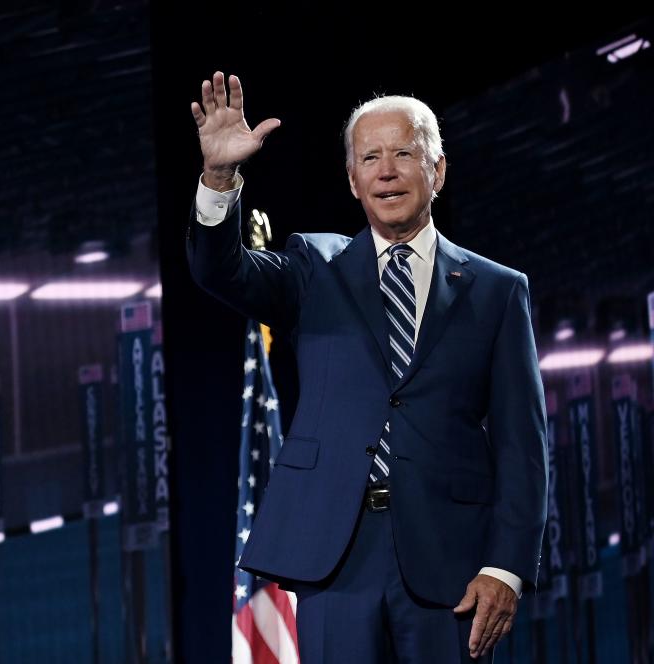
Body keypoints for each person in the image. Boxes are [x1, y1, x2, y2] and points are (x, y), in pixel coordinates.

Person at [186, 71, 548, 663]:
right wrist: (220, 178)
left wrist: (506, 566)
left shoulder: (497, 290)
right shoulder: (312, 266)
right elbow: (219, 273)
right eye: (369, 157)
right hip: (336, 550)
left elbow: (522, 444)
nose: (386, 170)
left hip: (449, 561)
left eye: (403, 154)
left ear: (437, 170)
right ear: (353, 181)